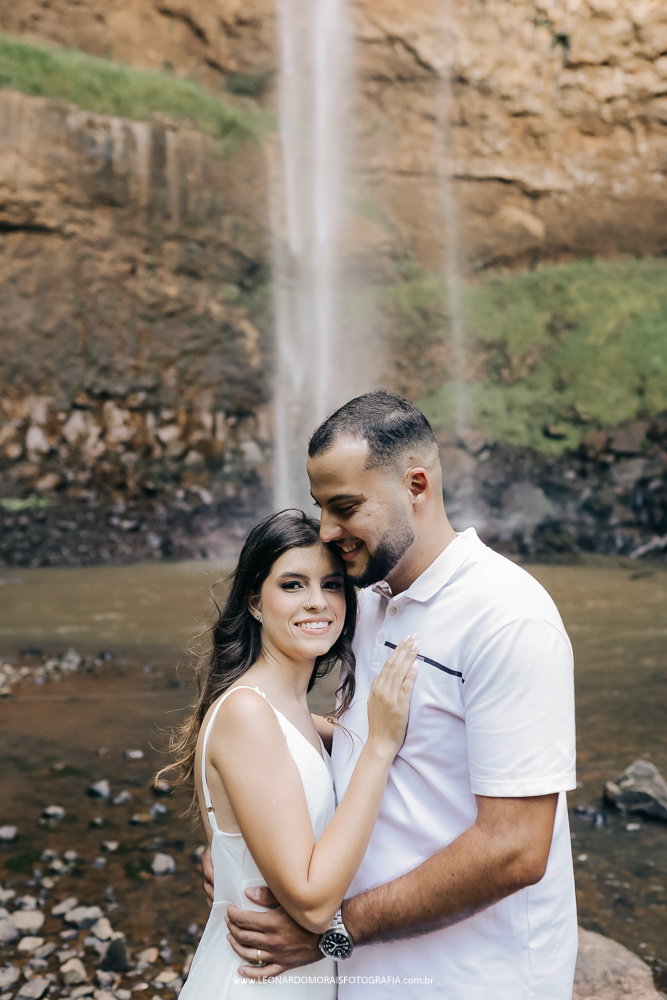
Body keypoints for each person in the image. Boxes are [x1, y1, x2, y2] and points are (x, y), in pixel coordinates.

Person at [208, 390, 578, 999]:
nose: (328, 531)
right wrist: (245, 845)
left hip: (472, 982)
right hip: (369, 977)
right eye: (321, 507)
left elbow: (515, 848)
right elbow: (370, 739)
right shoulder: (366, 597)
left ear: (416, 485)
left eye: (345, 507)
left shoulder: (508, 619)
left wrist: (333, 931)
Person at [169, 509, 419, 998]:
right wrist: (380, 746)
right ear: (255, 603)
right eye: (292, 585)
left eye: (332, 585)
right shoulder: (247, 713)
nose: (317, 602)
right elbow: (312, 905)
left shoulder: (288, 711)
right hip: (253, 984)